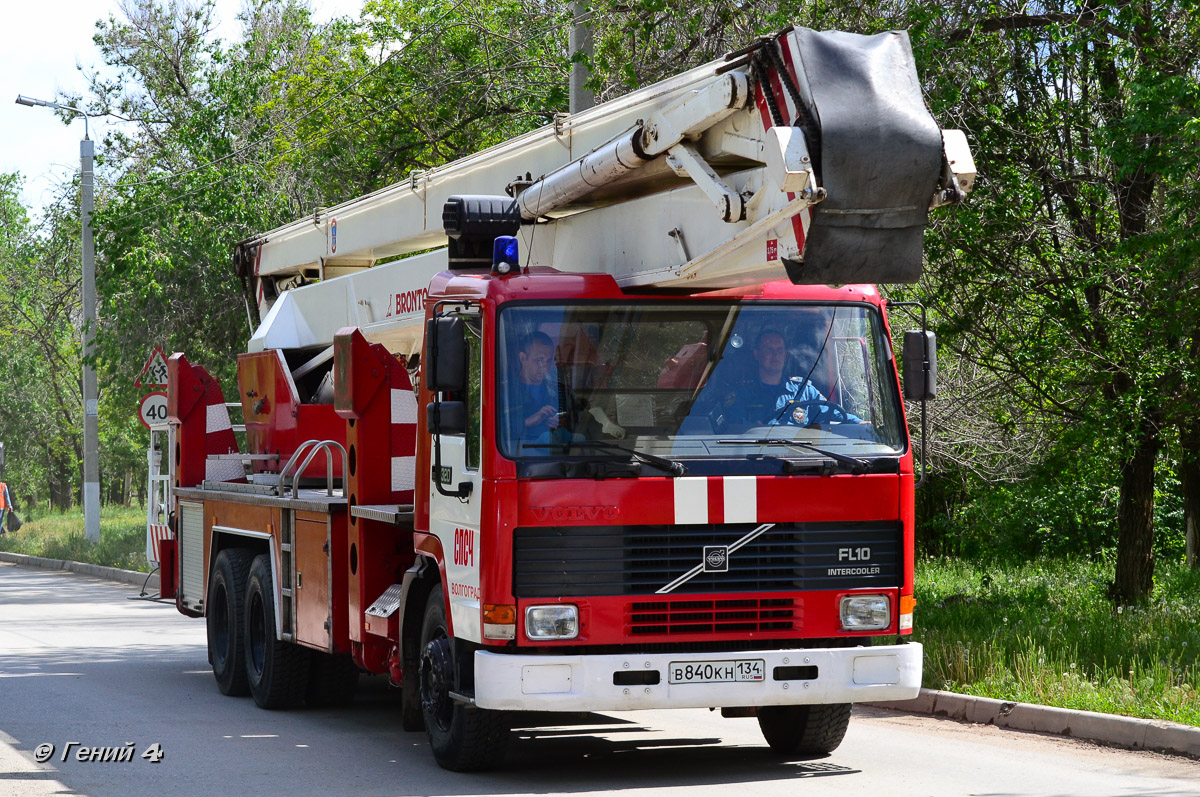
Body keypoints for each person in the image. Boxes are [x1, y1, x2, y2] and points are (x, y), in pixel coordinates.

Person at [709, 330, 865, 428]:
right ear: (757, 354)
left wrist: (860, 424)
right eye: (769, 350)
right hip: (756, 462)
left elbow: (834, 413)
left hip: (798, 461)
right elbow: (733, 429)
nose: (775, 355)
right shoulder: (741, 394)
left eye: (779, 350)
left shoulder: (804, 390)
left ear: (785, 354)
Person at [509, 332, 624, 450]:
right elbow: (495, 430)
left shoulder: (560, 390)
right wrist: (528, 422)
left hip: (563, 459)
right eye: (539, 359)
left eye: (548, 361)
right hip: (522, 456)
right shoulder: (505, 392)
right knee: (546, 438)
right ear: (523, 358)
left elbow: (586, 422)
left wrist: (566, 422)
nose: (544, 366)